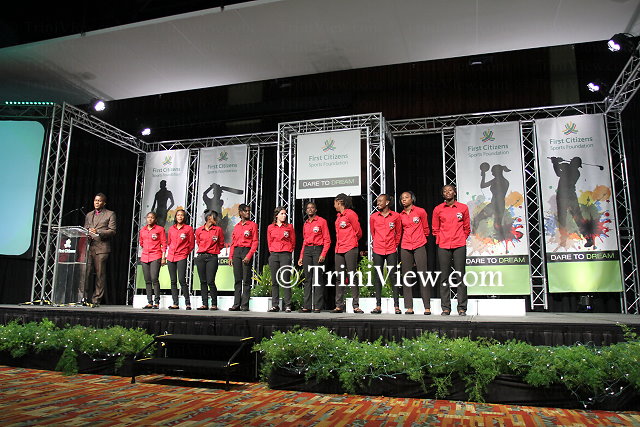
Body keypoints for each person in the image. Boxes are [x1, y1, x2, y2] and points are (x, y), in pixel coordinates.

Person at [432, 184, 471, 316]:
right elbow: (435, 228)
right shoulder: (438, 209)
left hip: (459, 244)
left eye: (450, 190)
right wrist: (440, 240)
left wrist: (461, 238)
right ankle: (446, 308)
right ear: (442, 194)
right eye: (445, 191)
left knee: (460, 276)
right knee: (444, 277)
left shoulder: (463, 208)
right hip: (444, 245)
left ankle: (462, 308)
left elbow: (467, 227)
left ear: (454, 192)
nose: (447, 192)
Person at [79, 193, 116, 307]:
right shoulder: (89, 215)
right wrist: (87, 232)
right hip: (89, 247)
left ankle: (96, 299)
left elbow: (112, 230)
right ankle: (82, 298)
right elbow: (84, 228)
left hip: (101, 248)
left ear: (104, 203)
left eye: (99, 201)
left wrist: (98, 232)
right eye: (95, 200)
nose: (97, 202)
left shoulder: (110, 214)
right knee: (84, 273)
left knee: (100, 274)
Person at [399, 191, 431, 315]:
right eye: (402, 198)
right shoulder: (400, 215)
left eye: (406, 197)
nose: (404, 200)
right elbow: (399, 231)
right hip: (405, 246)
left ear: (412, 199)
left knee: (423, 275)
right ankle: (409, 307)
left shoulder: (420, 211)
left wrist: (421, 241)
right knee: (406, 276)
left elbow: (426, 229)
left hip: (419, 244)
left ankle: (427, 307)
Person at [370, 194, 402, 314]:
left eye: (380, 201)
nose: (378, 203)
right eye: (377, 201)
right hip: (378, 249)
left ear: (387, 202)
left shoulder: (396, 216)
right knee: (378, 277)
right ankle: (378, 305)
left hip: (391, 249)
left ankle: (396, 306)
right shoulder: (373, 217)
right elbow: (373, 233)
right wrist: (377, 243)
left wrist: (394, 244)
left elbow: (398, 233)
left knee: (393, 277)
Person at [331, 193, 363, 314]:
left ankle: (356, 305)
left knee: (352, 276)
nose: (334, 206)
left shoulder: (350, 214)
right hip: (339, 249)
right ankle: (339, 305)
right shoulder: (338, 216)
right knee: (339, 278)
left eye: (335, 203)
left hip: (350, 248)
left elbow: (358, 232)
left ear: (340, 202)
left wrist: (351, 241)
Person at [550, 156, 593, 247]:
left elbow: (558, 173)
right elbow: (560, 170)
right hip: (571, 196)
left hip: (563, 196)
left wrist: (555, 162)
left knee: (562, 218)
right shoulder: (576, 172)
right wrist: (557, 162)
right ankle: (588, 238)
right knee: (577, 218)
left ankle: (563, 240)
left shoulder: (569, 169)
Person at [298, 201, 331, 313]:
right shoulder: (306, 223)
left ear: (316, 210)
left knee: (317, 278)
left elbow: (327, 240)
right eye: (308, 208)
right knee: (307, 279)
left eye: (312, 208)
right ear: (306, 211)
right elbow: (304, 241)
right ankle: (307, 306)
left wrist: (323, 254)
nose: (310, 209)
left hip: (318, 249)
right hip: (307, 251)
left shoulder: (322, 221)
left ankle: (318, 306)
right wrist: (301, 256)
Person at [229, 204, 258, 311]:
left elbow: (255, 242)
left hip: (246, 251)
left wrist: (249, 255)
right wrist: (231, 256)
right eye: (245, 211)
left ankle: (244, 305)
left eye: (249, 211)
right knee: (237, 279)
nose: (248, 213)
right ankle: (236, 304)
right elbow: (233, 243)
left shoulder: (253, 225)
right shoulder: (236, 226)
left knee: (246, 280)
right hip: (237, 252)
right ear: (240, 212)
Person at [194, 210, 225, 310]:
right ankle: (204, 304)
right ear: (208, 218)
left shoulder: (218, 230)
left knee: (210, 280)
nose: (216, 219)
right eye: (214, 217)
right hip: (201, 257)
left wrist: (214, 250)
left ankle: (214, 304)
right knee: (203, 281)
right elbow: (198, 242)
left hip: (212, 257)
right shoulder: (199, 230)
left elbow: (221, 244)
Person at [267, 207, 296, 312]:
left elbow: (293, 241)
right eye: (282, 214)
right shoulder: (270, 227)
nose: (284, 215)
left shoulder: (289, 227)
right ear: (277, 215)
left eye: (285, 214)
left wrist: (288, 251)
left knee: (285, 280)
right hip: (274, 254)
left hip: (285, 254)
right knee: (274, 280)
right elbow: (269, 241)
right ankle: (275, 305)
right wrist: (273, 251)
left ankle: (288, 305)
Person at [166, 209, 195, 310]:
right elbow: (169, 242)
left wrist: (185, 252)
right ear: (175, 217)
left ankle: (188, 303)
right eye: (178, 215)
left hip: (181, 256)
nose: (180, 217)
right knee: (173, 281)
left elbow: (191, 244)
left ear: (184, 217)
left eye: (182, 215)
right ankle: (175, 303)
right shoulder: (171, 229)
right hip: (171, 256)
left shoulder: (188, 229)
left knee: (182, 280)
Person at [473, 163, 511, 241]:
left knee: (495, 224)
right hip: (498, 205)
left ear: (497, 171)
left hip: (495, 205)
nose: (492, 173)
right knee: (496, 224)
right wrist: (483, 175)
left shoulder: (499, 181)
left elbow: (498, 194)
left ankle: (474, 236)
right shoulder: (501, 181)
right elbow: (483, 185)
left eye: (492, 171)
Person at [139, 212, 166, 309]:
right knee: (147, 280)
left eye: (152, 217)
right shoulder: (142, 230)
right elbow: (141, 243)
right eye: (148, 217)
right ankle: (149, 302)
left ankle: (157, 302)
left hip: (156, 256)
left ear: (155, 219)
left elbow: (164, 244)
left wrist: (163, 257)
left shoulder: (160, 229)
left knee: (154, 278)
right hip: (145, 257)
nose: (150, 219)